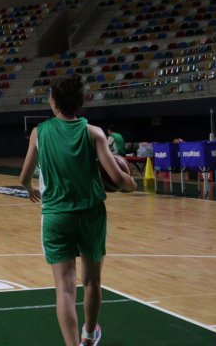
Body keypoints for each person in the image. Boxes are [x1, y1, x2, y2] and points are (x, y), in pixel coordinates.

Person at [19, 74, 136, 346]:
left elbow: (24, 177)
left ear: (52, 102)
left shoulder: (39, 132)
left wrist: (29, 189)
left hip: (56, 215)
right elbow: (117, 179)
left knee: (65, 288)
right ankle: (89, 334)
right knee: (92, 282)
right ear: (80, 103)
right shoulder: (94, 132)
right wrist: (131, 183)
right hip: (91, 215)